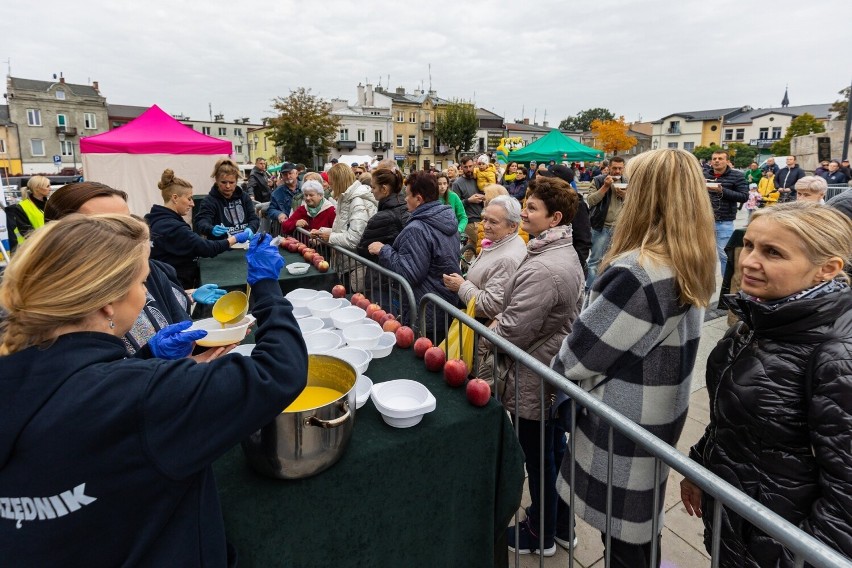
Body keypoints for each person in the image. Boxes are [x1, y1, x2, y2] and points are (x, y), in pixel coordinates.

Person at [0, 216, 308, 566]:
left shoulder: (19, 375)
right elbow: (280, 371)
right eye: (142, 282)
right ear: (107, 303)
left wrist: (148, 357)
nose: (147, 294)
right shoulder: (143, 397)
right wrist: (267, 288)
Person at [551, 148, 717, 566]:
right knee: (639, 534)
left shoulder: (639, 271)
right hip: (659, 412)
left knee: (624, 542)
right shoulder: (692, 258)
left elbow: (576, 357)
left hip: (624, 422)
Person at [681, 202, 852, 567]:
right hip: (737, 521)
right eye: (750, 244)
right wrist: (701, 466)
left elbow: (845, 495)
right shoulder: (760, 316)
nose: (748, 261)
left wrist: (798, 559)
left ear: (827, 269)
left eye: (772, 252)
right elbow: (734, 418)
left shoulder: (836, 356)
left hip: (776, 542)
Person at [495, 176, 584, 558]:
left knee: (540, 455)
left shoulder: (546, 266)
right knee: (553, 452)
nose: (525, 211)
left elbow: (513, 329)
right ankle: (561, 525)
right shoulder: (553, 252)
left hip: (536, 377)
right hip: (545, 370)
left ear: (555, 218)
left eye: (532, 208)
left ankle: (542, 532)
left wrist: (491, 327)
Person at [44, 182, 227, 358]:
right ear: (64, 237)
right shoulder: (57, 311)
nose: (128, 235)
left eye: (128, 222)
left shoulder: (151, 272)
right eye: (108, 226)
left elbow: (179, 324)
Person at [367, 171, 459, 329]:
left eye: (408, 195)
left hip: (425, 309)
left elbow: (409, 273)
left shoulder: (418, 228)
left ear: (419, 199)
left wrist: (383, 250)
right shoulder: (445, 217)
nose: (404, 199)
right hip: (443, 303)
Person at [146, 169, 252, 288]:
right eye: (189, 198)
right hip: (175, 284)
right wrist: (235, 238)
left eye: (232, 182)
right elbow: (207, 248)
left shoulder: (154, 219)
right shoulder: (173, 227)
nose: (192, 204)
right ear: (175, 198)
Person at [442, 195, 526, 323]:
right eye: (485, 219)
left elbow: (491, 307)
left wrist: (461, 286)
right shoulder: (503, 240)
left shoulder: (506, 260)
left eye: (493, 222)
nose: (485, 225)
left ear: (512, 226)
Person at [313, 163, 377, 250]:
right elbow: (344, 230)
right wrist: (322, 233)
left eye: (331, 184)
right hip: (347, 259)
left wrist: (330, 237)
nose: (331, 188)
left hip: (354, 261)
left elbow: (355, 239)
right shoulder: (346, 198)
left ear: (339, 182)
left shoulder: (357, 202)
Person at [585, 156, 627, 291]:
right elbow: (590, 201)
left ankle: (608, 290)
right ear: (608, 168)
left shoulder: (628, 182)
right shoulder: (598, 180)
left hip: (621, 228)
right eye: (614, 168)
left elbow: (636, 203)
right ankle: (590, 291)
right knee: (595, 261)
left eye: (620, 168)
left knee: (616, 261)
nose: (617, 171)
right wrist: (605, 187)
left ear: (623, 168)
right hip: (602, 227)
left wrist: (626, 196)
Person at [707, 149, 749, 277]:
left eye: (720, 158)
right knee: (704, 257)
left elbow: (743, 196)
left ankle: (725, 288)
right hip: (704, 221)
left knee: (725, 256)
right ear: (711, 161)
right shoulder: (704, 174)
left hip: (723, 222)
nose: (717, 161)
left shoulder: (737, 176)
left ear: (727, 161)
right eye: (714, 159)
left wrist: (722, 190)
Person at [195, 158, 260, 239]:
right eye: (223, 182)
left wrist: (251, 228)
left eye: (232, 182)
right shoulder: (209, 201)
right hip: (220, 247)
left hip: (244, 245)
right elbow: (201, 222)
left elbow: (254, 219)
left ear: (236, 181)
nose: (228, 186)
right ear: (216, 180)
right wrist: (210, 229)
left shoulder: (244, 197)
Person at [7, 176, 50, 253]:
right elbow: (25, 231)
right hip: (32, 249)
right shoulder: (22, 207)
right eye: (47, 186)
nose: (50, 188)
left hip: (48, 245)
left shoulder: (50, 204)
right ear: (37, 188)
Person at [453, 157, 485, 251]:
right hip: (469, 220)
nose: (468, 169)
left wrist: (484, 197)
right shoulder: (457, 184)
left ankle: (463, 265)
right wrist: (469, 200)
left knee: (472, 246)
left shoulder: (478, 179)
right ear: (461, 168)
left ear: (474, 165)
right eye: (465, 167)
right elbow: (455, 205)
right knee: (484, 245)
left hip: (481, 218)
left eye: (470, 166)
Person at [267, 162, 302, 228]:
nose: (288, 176)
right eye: (285, 174)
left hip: (304, 228)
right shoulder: (276, 193)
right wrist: (279, 214)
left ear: (296, 173)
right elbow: (271, 209)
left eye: (290, 173)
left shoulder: (305, 188)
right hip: (286, 229)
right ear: (282, 176)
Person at [436, 172, 467, 236]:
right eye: (439, 184)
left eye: (444, 183)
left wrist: (459, 230)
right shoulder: (431, 197)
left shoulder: (454, 196)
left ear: (447, 184)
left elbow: (463, 217)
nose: (442, 186)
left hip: (452, 234)